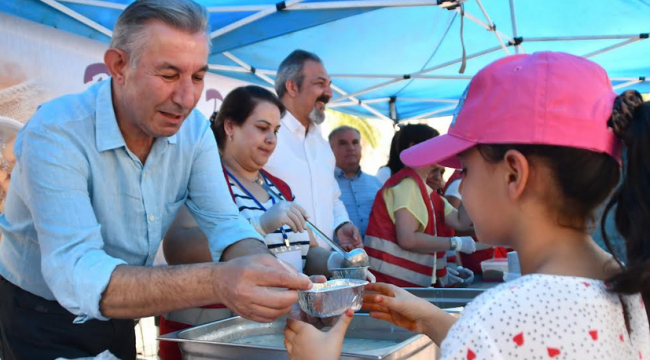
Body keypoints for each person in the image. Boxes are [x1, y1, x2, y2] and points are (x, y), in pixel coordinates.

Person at [284, 52, 650, 360]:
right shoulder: (621, 282)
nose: (460, 186)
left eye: (466, 169)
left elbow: (497, 339)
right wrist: (430, 319)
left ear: (513, 175)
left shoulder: (495, 320)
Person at [0, 1, 312, 359]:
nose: (186, 98)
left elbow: (227, 224)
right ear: (118, 66)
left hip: (123, 313)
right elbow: (76, 273)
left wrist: (265, 272)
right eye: (168, 75)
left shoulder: (193, 131)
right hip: (39, 316)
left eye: (197, 77)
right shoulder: (57, 131)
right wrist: (218, 281)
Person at [159, 85, 337, 360]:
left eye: (275, 131)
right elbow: (179, 248)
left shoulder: (280, 189)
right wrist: (257, 225)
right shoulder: (205, 179)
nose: (271, 139)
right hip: (210, 334)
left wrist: (339, 263)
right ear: (230, 127)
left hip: (272, 329)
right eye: (262, 128)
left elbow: (308, 251)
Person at [264, 49, 362, 251]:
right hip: (279, 272)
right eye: (320, 84)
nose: (329, 93)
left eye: (329, 85)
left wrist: (341, 224)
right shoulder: (265, 137)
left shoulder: (321, 142)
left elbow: (332, 197)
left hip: (322, 270)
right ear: (292, 87)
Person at [364, 125, 477, 287]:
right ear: (413, 148)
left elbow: (460, 221)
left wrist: (471, 180)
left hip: (406, 288)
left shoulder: (427, 192)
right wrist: (455, 243)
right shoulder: (406, 186)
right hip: (389, 287)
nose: (440, 151)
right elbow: (408, 239)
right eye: (435, 145)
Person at [328, 125, 382, 238]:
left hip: (374, 253)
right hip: (338, 253)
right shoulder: (324, 184)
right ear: (330, 149)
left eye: (355, 142)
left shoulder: (376, 184)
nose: (351, 148)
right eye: (343, 143)